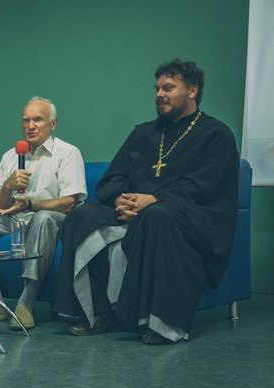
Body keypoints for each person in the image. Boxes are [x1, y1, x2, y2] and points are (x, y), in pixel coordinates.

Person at [54, 59, 240, 344]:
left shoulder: (216, 135)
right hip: (135, 214)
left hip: (185, 219)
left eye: (168, 88)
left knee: (157, 216)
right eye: (157, 89)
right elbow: (113, 177)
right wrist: (121, 199)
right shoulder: (143, 133)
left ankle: (159, 323)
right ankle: (99, 313)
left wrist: (154, 200)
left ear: (192, 90)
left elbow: (204, 187)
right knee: (82, 216)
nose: (159, 94)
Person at [0, 96, 87, 330]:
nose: (31, 126)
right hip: (16, 217)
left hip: (54, 220)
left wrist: (31, 205)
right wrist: (8, 186)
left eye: (38, 120)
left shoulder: (68, 153)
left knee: (43, 218)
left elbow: (69, 202)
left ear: (53, 124)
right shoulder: (11, 156)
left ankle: (27, 302)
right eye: (26, 120)